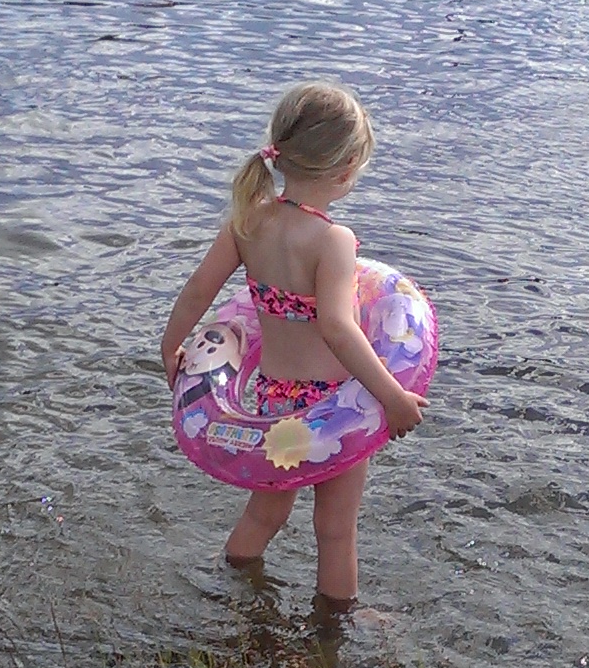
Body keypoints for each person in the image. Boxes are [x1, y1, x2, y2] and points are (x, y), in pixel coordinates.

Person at [160, 81, 424, 604]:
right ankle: (337, 623)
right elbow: (338, 328)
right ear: (347, 170)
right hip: (332, 407)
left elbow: (197, 291)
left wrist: (170, 348)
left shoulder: (249, 221)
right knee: (335, 528)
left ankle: (230, 580)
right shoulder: (332, 240)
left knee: (267, 510)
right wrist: (392, 396)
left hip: (275, 399)